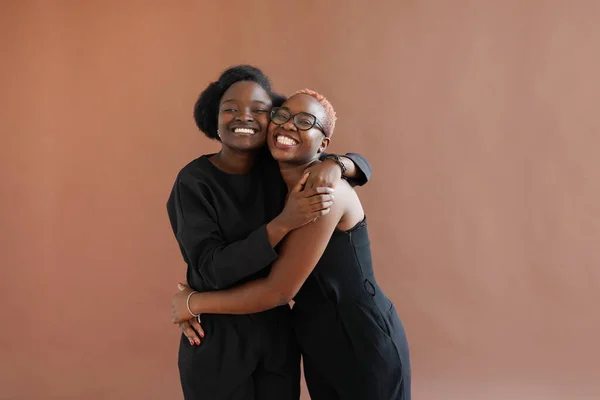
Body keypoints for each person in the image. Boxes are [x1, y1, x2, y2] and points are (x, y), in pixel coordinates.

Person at [172, 89, 411, 400]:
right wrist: (341, 161)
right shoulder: (273, 180)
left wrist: (193, 304)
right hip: (313, 336)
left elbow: (279, 290)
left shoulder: (324, 191)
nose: (287, 125)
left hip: (359, 334)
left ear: (323, 143)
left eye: (304, 121)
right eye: (281, 116)